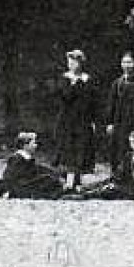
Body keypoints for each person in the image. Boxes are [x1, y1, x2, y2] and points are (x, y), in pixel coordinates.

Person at [70, 129, 134, 201]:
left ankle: (82, 195)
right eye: (130, 142)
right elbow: (120, 172)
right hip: (123, 183)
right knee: (104, 183)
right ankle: (81, 189)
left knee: (105, 192)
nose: (131, 145)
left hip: (133, 188)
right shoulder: (129, 155)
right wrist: (111, 181)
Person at [53, 49, 98, 191]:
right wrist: (74, 83)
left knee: (81, 148)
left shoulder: (88, 79)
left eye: (73, 62)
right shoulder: (64, 78)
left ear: (80, 63)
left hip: (83, 120)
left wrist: (93, 120)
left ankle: (78, 181)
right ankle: (66, 181)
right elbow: (66, 97)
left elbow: (92, 101)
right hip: (67, 120)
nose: (70, 65)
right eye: (69, 62)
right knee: (67, 149)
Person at [0, 132, 66, 200]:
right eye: (33, 143)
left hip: (25, 185)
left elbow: (39, 168)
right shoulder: (17, 159)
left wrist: (55, 174)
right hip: (20, 188)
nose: (36, 145)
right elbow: (11, 177)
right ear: (25, 145)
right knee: (46, 179)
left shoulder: (27, 159)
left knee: (48, 177)